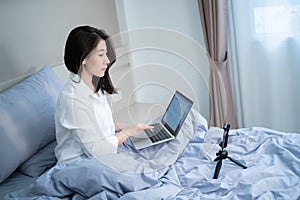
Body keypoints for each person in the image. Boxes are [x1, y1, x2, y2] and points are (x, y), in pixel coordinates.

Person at [55, 25, 153, 163]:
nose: (107, 60)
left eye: (106, 54)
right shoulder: (72, 99)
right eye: (101, 54)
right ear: (83, 58)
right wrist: (128, 132)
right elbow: (95, 151)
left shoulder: (94, 87)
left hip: (106, 153)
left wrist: (132, 127)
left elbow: (101, 128)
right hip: (81, 165)